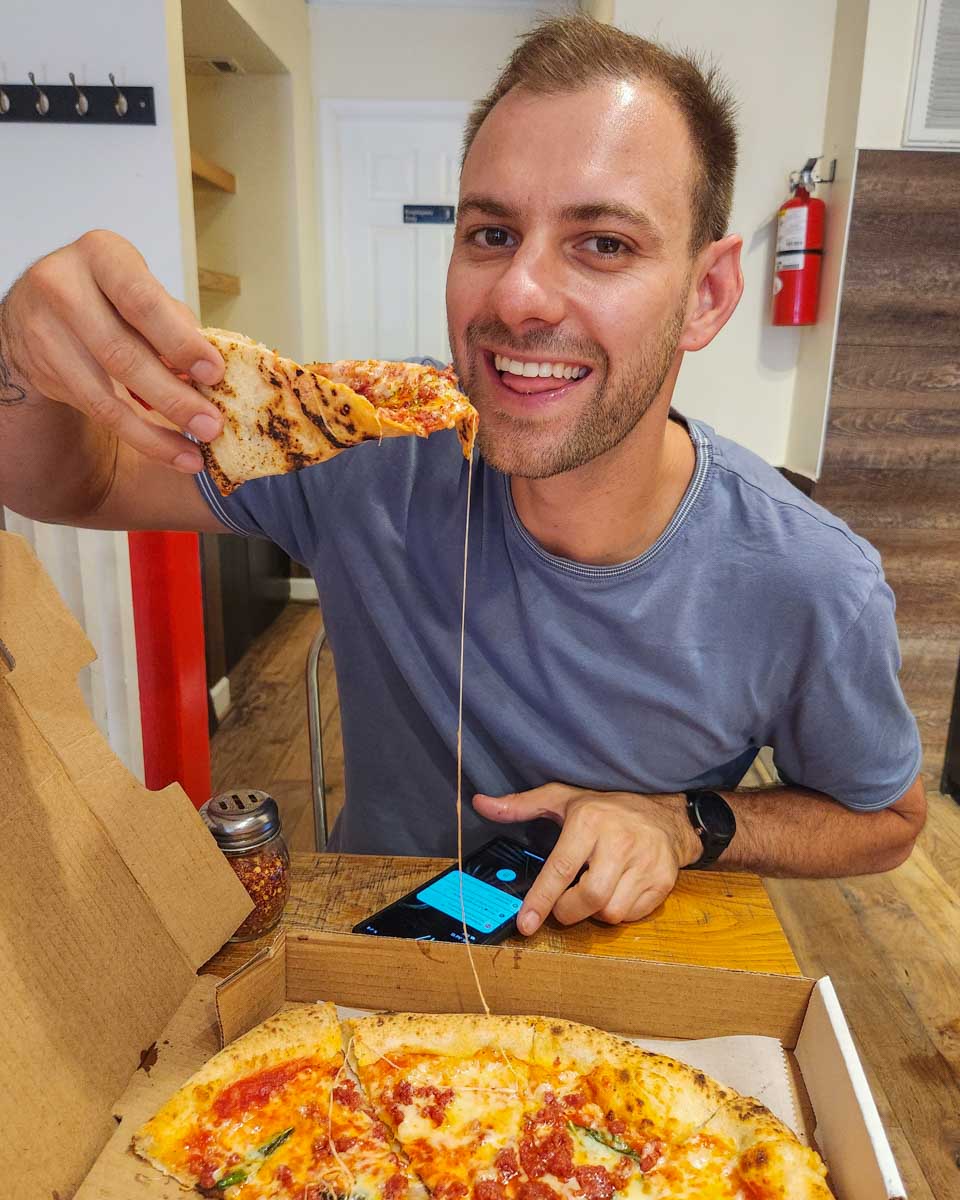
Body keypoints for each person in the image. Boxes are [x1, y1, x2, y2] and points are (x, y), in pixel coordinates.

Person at [0, 15, 924, 936]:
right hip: (373, 976)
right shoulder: (368, 449)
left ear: (707, 294)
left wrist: (683, 823)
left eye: (603, 242)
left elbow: (885, 820)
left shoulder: (811, 582)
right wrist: (21, 358)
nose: (518, 294)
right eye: (490, 232)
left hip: (623, 984)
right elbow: (72, 485)